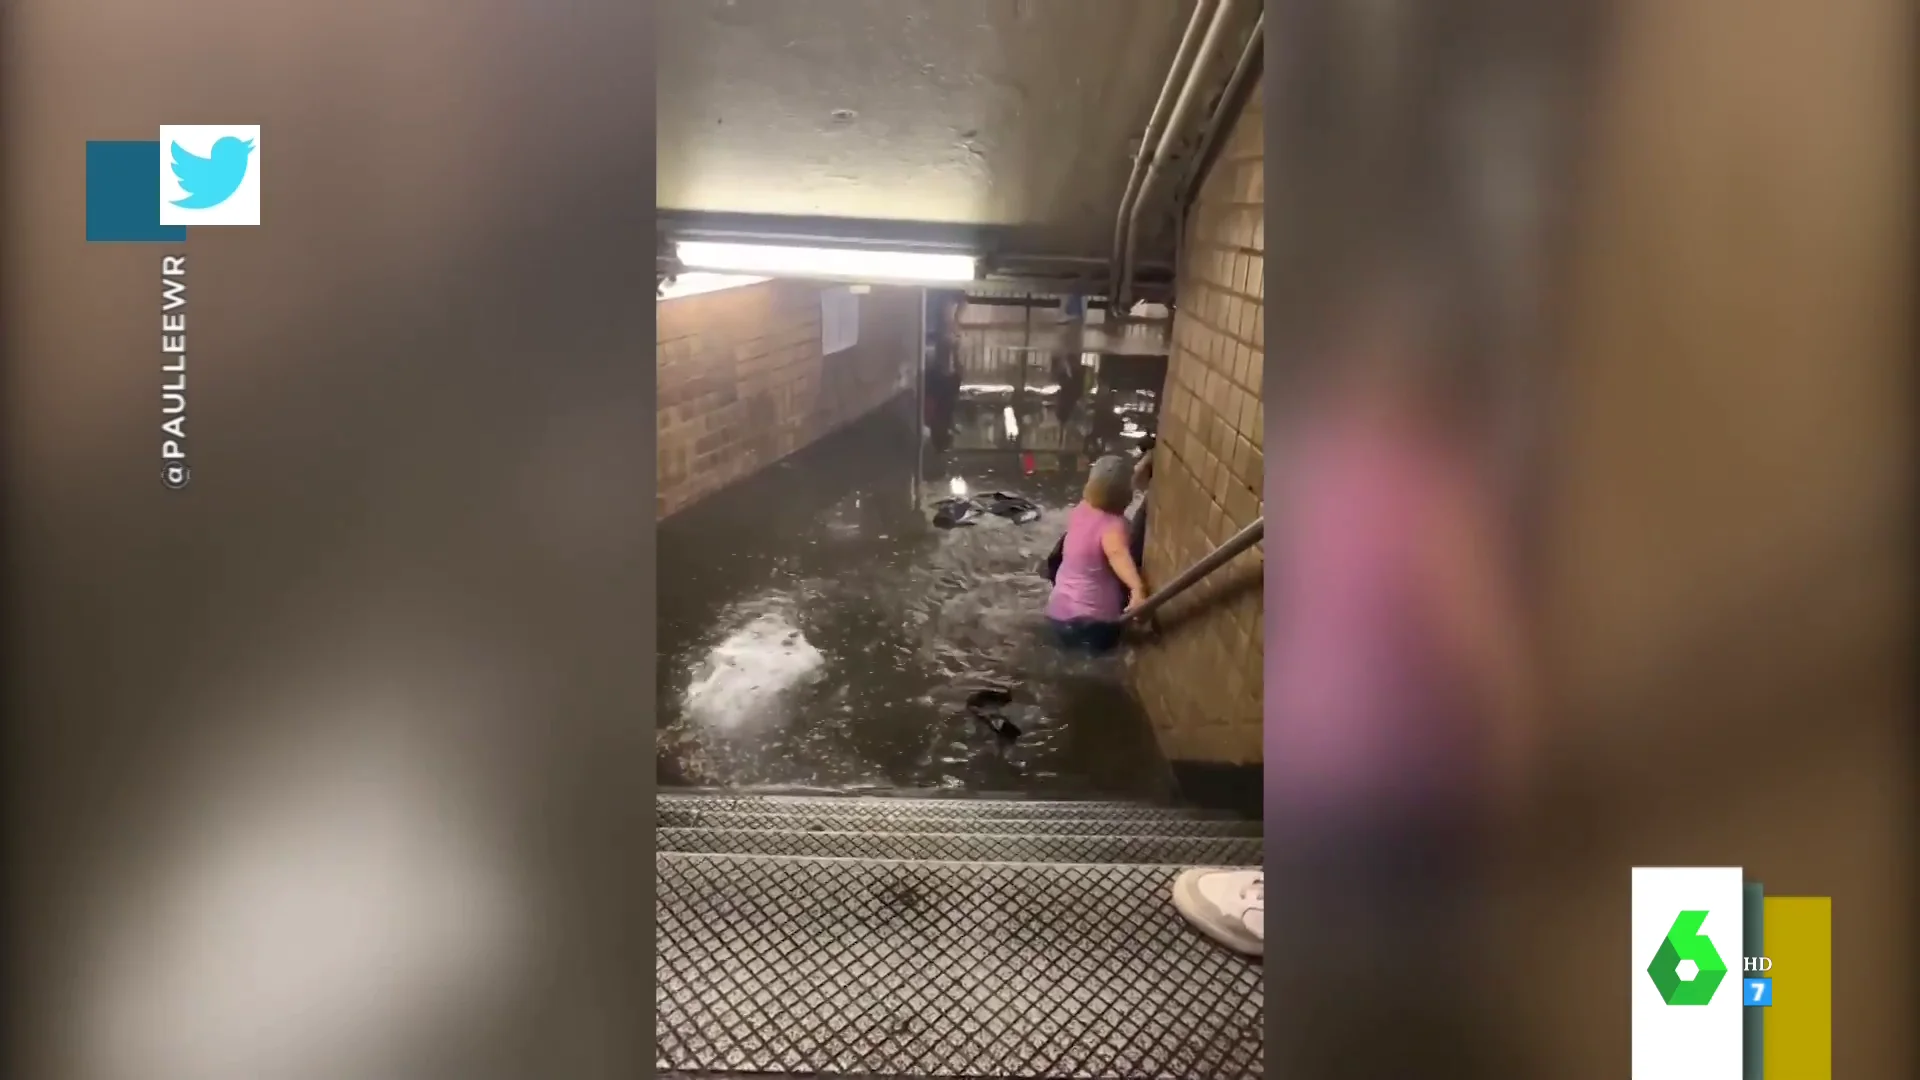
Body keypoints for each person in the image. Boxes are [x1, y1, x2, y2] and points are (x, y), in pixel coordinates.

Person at [1043, 455, 1147, 652]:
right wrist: (1137, 589)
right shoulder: (1113, 526)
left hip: (1059, 611)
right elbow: (1118, 555)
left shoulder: (1080, 510)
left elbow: (1109, 482)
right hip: (1092, 620)